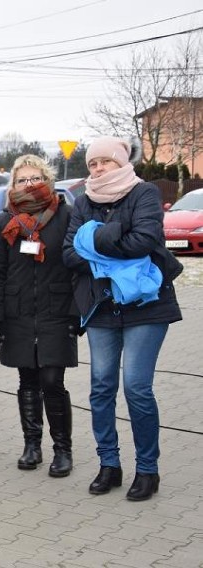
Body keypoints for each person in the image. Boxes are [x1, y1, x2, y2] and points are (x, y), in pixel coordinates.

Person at [63, 137, 182, 502]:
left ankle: (147, 469)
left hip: (147, 306)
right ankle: (109, 465)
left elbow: (144, 240)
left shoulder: (143, 194)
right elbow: (69, 254)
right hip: (101, 307)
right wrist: (114, 243)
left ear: (121, 162)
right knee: (100, 387)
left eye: (105, 162)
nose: (98, 168)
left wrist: (95, 241)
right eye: (92, 163)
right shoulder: (82, 201)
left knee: (135, 387)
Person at [0, 154, 77, 478]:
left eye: (34, 178)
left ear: (47, 180)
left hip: (56, 310)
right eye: (21, 180)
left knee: (52, 380)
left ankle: (62, 450)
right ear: (13, 184)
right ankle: (32, 445)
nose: (28, 185)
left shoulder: (66, 216)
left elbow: (77, 266)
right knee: (27, 380)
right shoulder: (1, 223)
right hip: (18, 312)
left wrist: (78, 311)